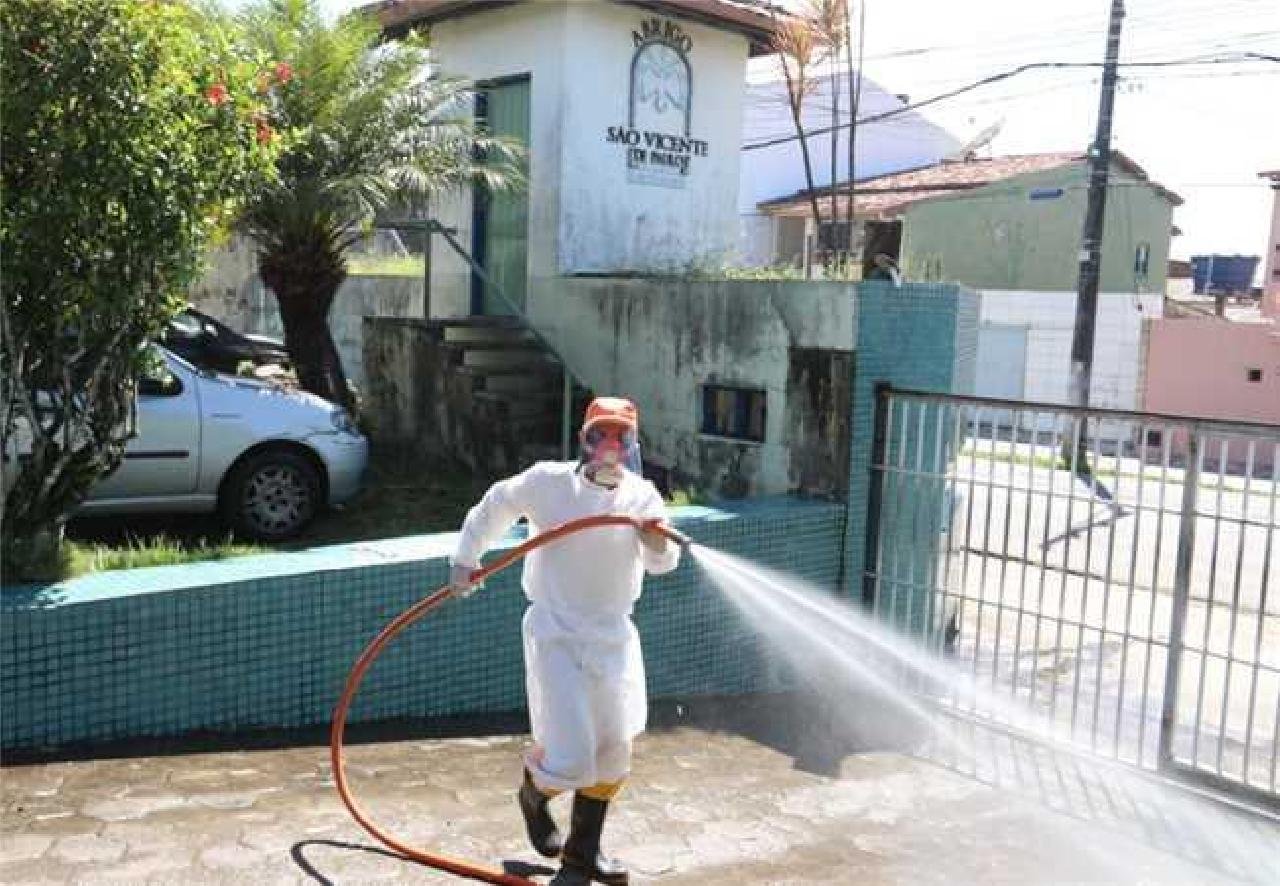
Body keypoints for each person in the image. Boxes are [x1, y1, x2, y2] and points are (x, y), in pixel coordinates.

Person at [448, 396, 681, 885]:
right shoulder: (548, 483)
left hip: (613, 635)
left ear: (634, 443)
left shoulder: (641, 497)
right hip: (556, 631)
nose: (611, 447)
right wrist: (466, 559)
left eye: (622, 436)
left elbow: (661, 565)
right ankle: (534, 794)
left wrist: (657, 542)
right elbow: (496, 504)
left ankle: (581, 854)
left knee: (614, 750)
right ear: (584, 438)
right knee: (571, 754)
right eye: (602, 434)